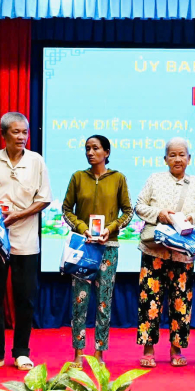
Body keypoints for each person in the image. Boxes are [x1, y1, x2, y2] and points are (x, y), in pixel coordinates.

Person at [0, 112, 51, 372]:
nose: (21, 137)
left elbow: (44, 199)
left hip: (26, 241)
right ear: (3, 134)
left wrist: (20, 215)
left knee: (25, 298)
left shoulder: (36, 160)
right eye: (16, 132)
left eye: (25, 132)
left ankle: (22, 352)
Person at [134, 137, 195, 368]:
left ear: (189, 159)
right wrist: (160, 214)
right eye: (172, 155)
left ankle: (176, 349)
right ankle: (148, 350)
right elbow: (139, 206)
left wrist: (190, 218)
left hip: (183, 254)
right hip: (154, 251)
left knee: (181, 302)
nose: (177, 159)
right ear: (165, 159)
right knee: (149, 300)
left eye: (181, 155)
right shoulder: (154, 179)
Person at [61, 135, 134, 364]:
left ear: (107, 152)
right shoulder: (78, 177)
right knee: (79, 301)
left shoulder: (118, 178)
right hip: (83, 249)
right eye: (87, 149)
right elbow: (66, 209)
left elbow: (128, 212)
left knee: (104, 301)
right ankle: (78, 353)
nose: (90, 152)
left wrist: (110, 229)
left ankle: (99, 353)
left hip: (108, 247)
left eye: (95, 148)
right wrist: (82, 228)